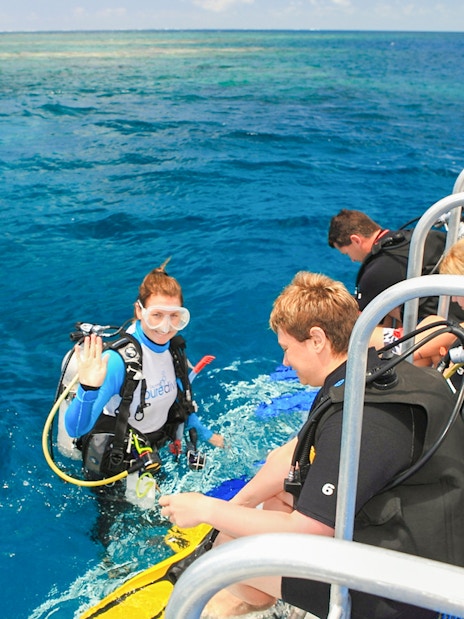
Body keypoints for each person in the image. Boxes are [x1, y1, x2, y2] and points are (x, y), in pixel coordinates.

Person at [159, 271, 464, 619]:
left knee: (231, 553)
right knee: (274, 497)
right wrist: (235, 507)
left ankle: (254, 598)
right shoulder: (376, 372)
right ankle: (278, 590)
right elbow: (287, 457)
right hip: (427, 527)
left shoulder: (364, 416)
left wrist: (207, 511)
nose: (285, 361)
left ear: (317, 339)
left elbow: (307, 530)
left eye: (287, 349)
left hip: (409, 587)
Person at [65, 258, 224, 483]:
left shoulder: (174, 349)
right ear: (140, 311)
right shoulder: (118, 362)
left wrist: (202, 430)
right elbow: (75, 428)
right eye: (156, 315)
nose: (166, 326)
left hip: (150, 451)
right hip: (115, 462)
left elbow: (179, 395)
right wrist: (88, 389)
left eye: (174, 316)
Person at [327, 208, 463, 325]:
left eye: (347, 253)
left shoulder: (375, 273)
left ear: (355, 240)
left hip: (446, 327)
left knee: (380, 309)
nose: (352, 259)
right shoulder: (424, 236)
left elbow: (357, 321)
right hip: (454, 314)